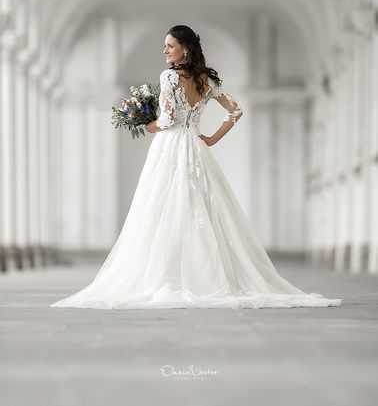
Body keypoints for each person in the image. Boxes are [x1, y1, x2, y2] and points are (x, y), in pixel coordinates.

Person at [51, 25, 342, 310]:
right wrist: (212, 139)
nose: (165, 50)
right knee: (200, 207)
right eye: (165, 46)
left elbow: (166, 121)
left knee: (160, 207)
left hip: (169, 147)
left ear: (184, 50)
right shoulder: (206, 80)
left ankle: (170, 275)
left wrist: (145, 124)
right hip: (195, 146)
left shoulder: (169, 77)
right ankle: (205, 275)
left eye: (170, 46)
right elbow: (236, 110)